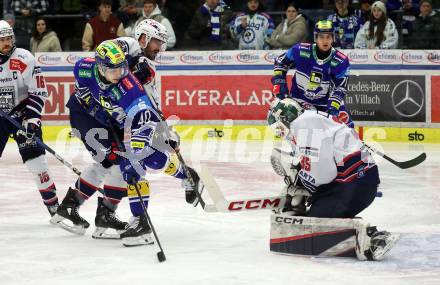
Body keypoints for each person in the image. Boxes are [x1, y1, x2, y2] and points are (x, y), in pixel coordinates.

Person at [51, 36, 200, 246]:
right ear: (100, 68)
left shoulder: (128, 86)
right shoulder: (84, 67)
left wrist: (142, 146)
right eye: (114, 70)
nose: (119, 74)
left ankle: (185, 176)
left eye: (122, 69)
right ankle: (126, 218)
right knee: (115, 162)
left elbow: (141, 119)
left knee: (138, 159)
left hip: (123, 121)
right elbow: (82, 91)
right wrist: (94, 109)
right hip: (85, 116)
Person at [266, 98, 400, 261]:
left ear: (285, 118)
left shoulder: (304, 125)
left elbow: (324, 174)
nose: (279, 132)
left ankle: (373, 239)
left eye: (278, 126)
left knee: (311, 229)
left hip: (353, 184)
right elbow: (322, 168)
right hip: (354, 182)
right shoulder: (309, 120)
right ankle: (365, 233)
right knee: (310, 221)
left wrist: (300, 184)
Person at [0, 20, 59, 217]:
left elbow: (38, 91)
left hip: (22, 115)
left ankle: (54, 206)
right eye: (2, 40)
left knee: (36, 162)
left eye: (9, 38)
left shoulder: (24, 58)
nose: (6, 42)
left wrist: (32, 120)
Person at [271, 20, 353, 128]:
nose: (325, 40)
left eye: (328, 37)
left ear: (333, 38)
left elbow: (340, 88)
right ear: (315, 38)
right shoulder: (300, 51)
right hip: (299, 100)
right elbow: (280, 62)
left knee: (347, 127)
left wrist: (333, 108)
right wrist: (280, 85)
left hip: (325, 103)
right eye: (321, 37)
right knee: (280, 117)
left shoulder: (340, 61)